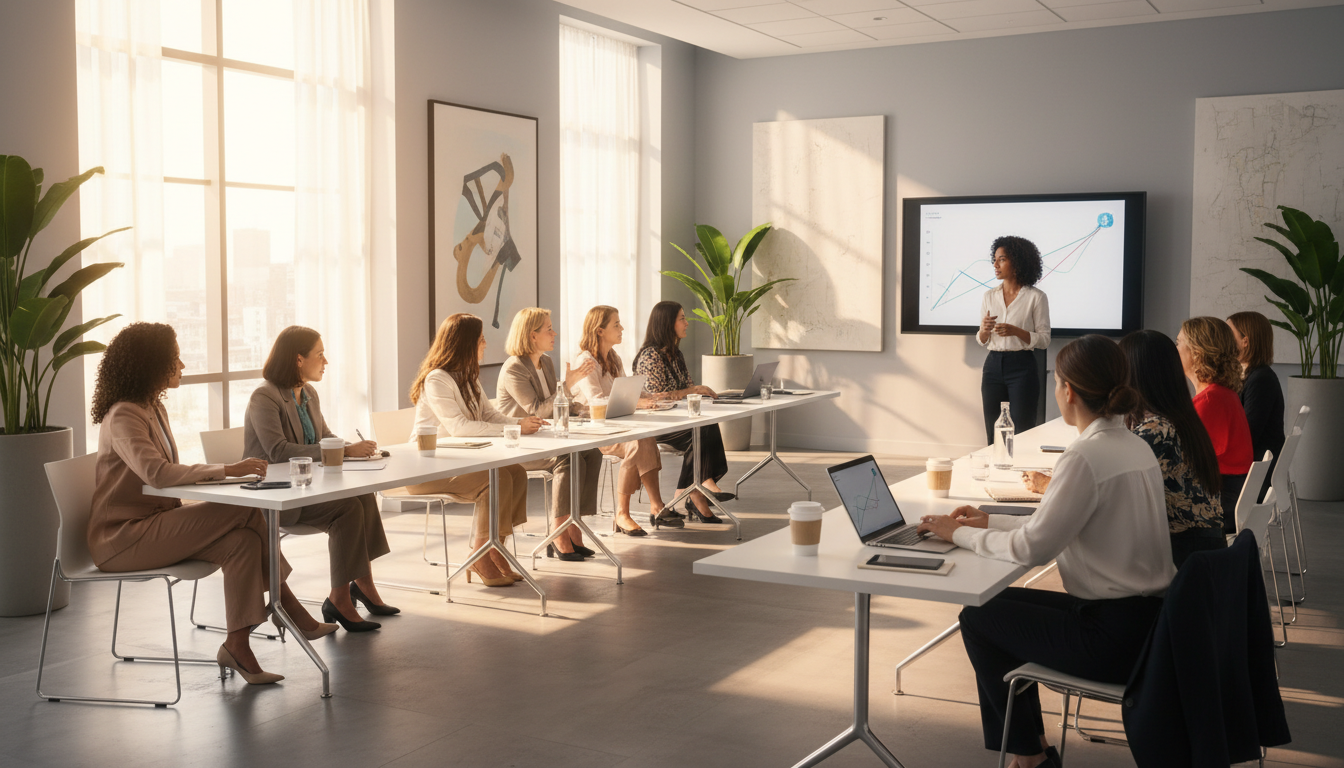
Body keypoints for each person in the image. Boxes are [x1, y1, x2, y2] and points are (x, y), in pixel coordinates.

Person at [918, 335, 1174, 768]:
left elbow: (1033, 548)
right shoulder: (1133, 444)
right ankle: (1030, 747)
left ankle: (1029, 758)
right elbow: (1058, 525)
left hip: (1111, 639)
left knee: (979, 617)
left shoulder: (1086, 456)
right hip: (1149, 625)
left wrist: (955, 534)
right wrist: (988, 520)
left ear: (1068, 390)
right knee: (989, 603)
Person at [89, 323, 336, 686]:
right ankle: (288, 606)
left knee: (243, 544)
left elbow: (164, 475)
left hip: (156, 523)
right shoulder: (125, 413)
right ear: (151, 364)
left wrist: (225, 475)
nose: (183, 365)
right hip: (121, 538)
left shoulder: (152, 407)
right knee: (249, 507)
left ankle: (237, 645)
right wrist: (228, 470)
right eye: (175, 359)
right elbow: (156, 473)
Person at [1023, 330, 1225, 567]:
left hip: (1180, 559)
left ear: (1133, 375)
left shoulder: (1155, 431)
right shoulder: (1178, 419)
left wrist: (1049, 484)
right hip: (1202, 552)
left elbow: (1108, 493)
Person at [243, 326, 397, 632]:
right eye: (320, 354)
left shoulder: (308, 393)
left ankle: (362, 586)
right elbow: (277, 451)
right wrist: (345, 450)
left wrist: (354, 450)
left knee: (363, 494)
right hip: (279, 498)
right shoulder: (265, 396)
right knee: (348, 508)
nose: (325, 361)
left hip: (309, 488)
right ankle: (339, 599)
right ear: (299, 359)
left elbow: (325, 437)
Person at [395, 314, 538, 587]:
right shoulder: (437, 379)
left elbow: (490, 416)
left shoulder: (468, 377)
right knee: (492, 481)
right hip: (427, 469)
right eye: (481, 338)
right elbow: (460, 427)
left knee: (516, 473)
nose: (485, 343)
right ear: (465, 343)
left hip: (460, 461)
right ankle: (480, 555)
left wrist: (520, 423)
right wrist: (512, 430)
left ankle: (493, 548)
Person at [496, 308, 603, 560]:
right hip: (519, 445)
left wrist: (583, 409)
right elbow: (539, 410)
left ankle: (573, 526)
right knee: (569, 457)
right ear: (532, 336)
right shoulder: (514, 368)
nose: (554, 333)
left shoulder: (546, 362)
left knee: (591, 452)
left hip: (545, 439)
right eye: (548, 329)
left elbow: (558, 404)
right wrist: (569, 382)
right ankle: (558, 531)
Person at [572, 305, 672, 537]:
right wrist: (638, 403)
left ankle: (654, 506)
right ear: (599, 330)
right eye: (616, 324)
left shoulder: (613, 357)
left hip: (617, 425)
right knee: (636, 443)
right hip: (593, 431)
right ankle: (624, 513)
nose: (622, 328)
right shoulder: (585, 360)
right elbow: (596, 401)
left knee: (645, 437)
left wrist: (651, 396)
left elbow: (625, 391)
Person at [633, 301, 733, 526]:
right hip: (657, 425)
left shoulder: (675, 354)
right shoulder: (651, 356)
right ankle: (696, 490)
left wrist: (698, 393)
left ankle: (691, 491)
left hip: (676, 420)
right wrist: (691, 391)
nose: (687, 323)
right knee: (701, 432)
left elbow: (688, 389)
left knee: (708, 424)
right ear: (668, 323)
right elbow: (656, 397)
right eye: (682, 319)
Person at [1178, 317, 1253, 533]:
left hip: (1221, 500)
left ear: (1197, 352)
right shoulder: (1222, 394)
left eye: (1178, 342)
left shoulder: (1209, 402)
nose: (1175, 349)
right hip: (1231, 494)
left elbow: (1186, 463)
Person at [977, 236, 1051, 444]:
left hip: (1022, 366)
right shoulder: (988, 296)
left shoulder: (1036, 297)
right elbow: (982, 339)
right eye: (994, 260)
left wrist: (1017, 331)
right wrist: (984, 330)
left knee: (1022, 429)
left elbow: (1044, 340)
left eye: (1001, 259)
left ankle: (1023, 474)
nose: (995, 265)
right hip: (992, 365)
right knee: (993, 429)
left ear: (1017, 262)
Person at [1227, 310, 1285, 500]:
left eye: (1229, 334)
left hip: (1255, 475)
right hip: (1254, 467)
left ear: (1245, 341)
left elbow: (1247, 435)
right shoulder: (1251, 375)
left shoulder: (1261, 379)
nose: (1225, 341)